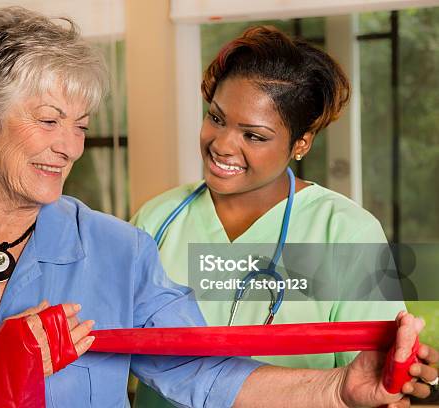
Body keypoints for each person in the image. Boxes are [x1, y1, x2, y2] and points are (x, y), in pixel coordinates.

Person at [0, 8, 435, 408]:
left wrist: (338, 390)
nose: (70, 146)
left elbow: (203, 372)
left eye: (80, 124)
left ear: (300, 145)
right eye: (47, 121)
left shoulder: (121, 249)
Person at [131, 26, 438, 407]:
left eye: (254, 136)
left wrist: (400, 377)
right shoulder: (157, 219)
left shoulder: (343, 232)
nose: (222, 144)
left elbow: (372, 380)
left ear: (301, 142)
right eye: (216, 118)